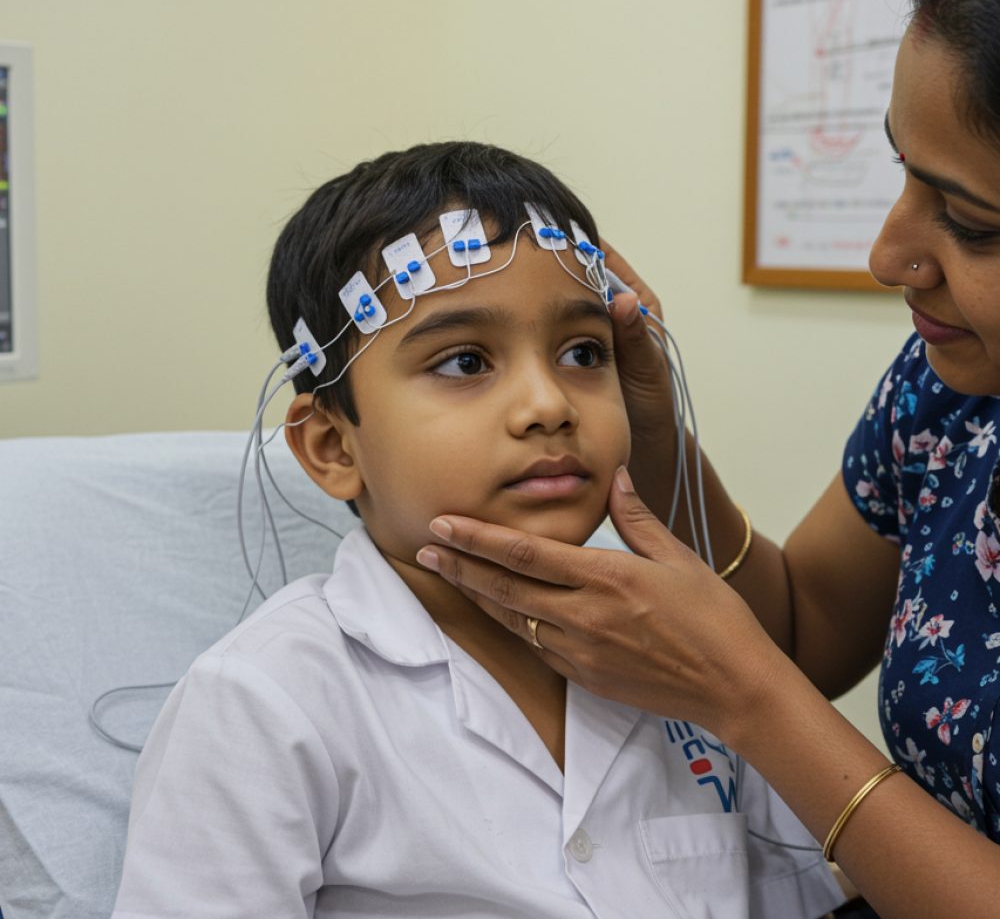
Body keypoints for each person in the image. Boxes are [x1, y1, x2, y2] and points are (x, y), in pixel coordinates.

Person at [414, 0, 1000, 919]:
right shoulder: (947, 392)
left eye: (967, 221)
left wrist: (743, 698)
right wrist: (654, 431)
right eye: (467, 360)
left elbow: (769, 680)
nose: (885, 254)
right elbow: (806, 629)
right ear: (325, 441)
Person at [110, 142, 844, 919]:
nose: (548, 403)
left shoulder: (692, 658)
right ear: (333, 447)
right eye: (465, 363)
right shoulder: (267, 703)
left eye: (582, 352)